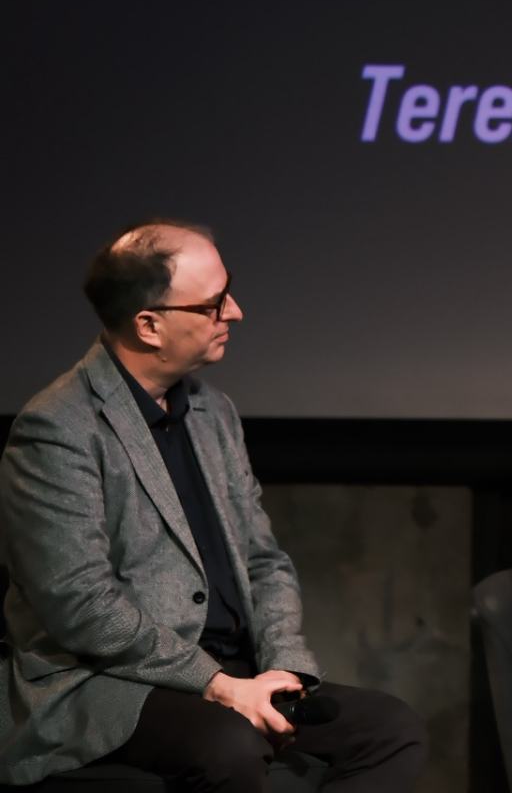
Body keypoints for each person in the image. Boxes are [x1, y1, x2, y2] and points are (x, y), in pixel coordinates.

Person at [0, 220, 427, 789]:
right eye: (214, 304)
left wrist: (284, 668)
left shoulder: (212, 412)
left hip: (236, 670)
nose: (236, 312)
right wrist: (216, 684)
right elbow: (82, 606)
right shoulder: (58, 427)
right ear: (149, 325)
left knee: (390, 728)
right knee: (229, 745)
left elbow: (264, 561)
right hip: (108, 681)